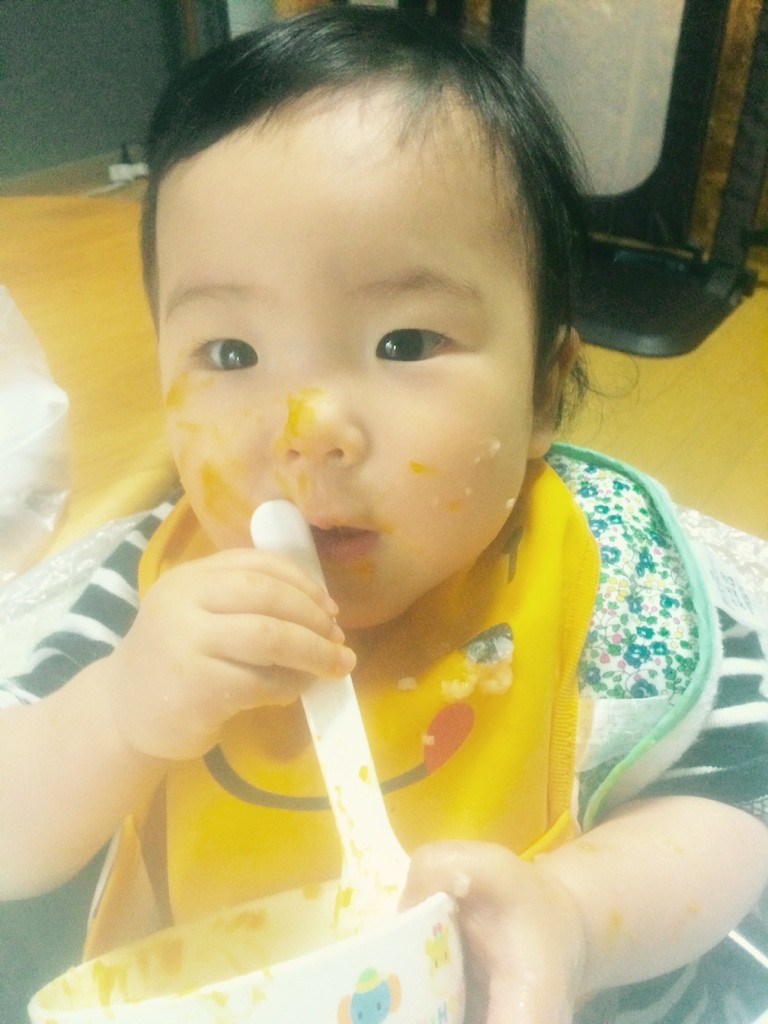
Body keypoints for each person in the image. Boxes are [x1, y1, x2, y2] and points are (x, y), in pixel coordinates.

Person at [1, 7, 767, 1023]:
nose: (308, 430)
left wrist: (577, 915)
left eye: (403, 343)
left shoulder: (609, 575)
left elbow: (731, 812)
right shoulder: (160, 587)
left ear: (543, 391)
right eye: (231, 353)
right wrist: (115, 714)